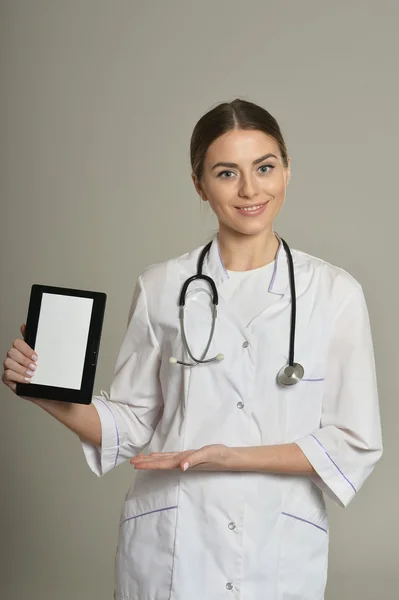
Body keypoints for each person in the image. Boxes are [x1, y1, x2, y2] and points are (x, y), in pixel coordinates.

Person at [2, 99, 383, 600]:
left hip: (278, 543)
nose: (250, 189)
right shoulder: (162, 285)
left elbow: (353, 443)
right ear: (200, 184)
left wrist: (232, 458)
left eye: (264, 168)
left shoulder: (334, 292)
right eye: (227, 173)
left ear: (287, 171)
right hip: (173, 545)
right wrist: (48, 394)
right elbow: (134, 423)